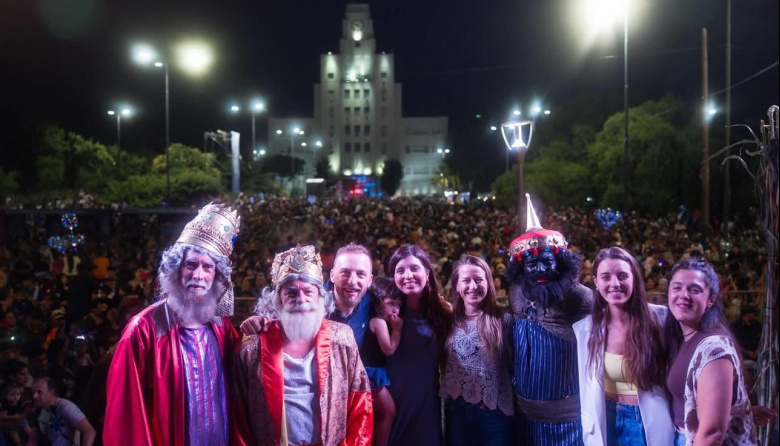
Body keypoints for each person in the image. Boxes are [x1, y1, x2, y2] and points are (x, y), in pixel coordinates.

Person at [104, 203, 243, 446]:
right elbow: (126, 417)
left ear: (217, 276)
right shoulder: (142, 331)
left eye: (208, 267)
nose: (198, 275)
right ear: (175, 270)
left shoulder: (222, 328)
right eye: (191, 265)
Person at [232, 244, 373, 446]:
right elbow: (239, 417)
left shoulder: (343, 339)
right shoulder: (250, 348)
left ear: (320, 296)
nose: (301, 300)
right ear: (278, 299)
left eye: (308, 291)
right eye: (291, 293)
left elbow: (361, 407)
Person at [505, 194, 592, 445]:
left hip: (567, 422)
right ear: (521, 268)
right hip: (525, 418)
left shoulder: (580, 297)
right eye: (532, 263)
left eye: (547, 261)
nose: (541, 269)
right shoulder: (516, 293)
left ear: (561, 263)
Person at [573, 247, 673, 446]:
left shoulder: (662, 320)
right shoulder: (584, 329)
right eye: (606, 277)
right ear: (596, 282)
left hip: (646, 422)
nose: (614, 284)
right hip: (604, 419)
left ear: (634, 278)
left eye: (622, 276)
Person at [664, 257, 757, 445]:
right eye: (677, 287)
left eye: (695, 289)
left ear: (710, 300)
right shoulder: (680, 337)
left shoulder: (714, 348)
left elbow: (712, 433)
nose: (684, 295)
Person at [440, 255, 514, 446]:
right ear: (456, 286)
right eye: (466, 280)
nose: (473, 286)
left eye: (479, 279)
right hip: (457, 414)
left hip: (494, 415)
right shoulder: (448, 320)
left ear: (489, 283)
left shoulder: (503, 320)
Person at [385, 244, 452, 446]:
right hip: (392, 408)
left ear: (427, 273)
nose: (408, 275)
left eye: (414, 268)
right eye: (400, 270)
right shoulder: (384, 313)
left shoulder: (442, 313)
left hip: (426, 409)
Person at [361, 278, 403, 446]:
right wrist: (397, 330)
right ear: (378, 302)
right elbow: (389, 349)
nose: (396, 309)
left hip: (373, 372)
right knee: (389, 411)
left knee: (380, 414)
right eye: (391, 303)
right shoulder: (378, 322)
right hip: (371, 375)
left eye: (398, 305)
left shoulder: (380, 321)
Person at [28, 376, 96, 446]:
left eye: (39, 392)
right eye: (33, 392)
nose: (34, 396)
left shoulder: (66, 406)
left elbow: (89, 431)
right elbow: (33, 439)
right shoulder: (38, 411)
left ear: (51, 392)